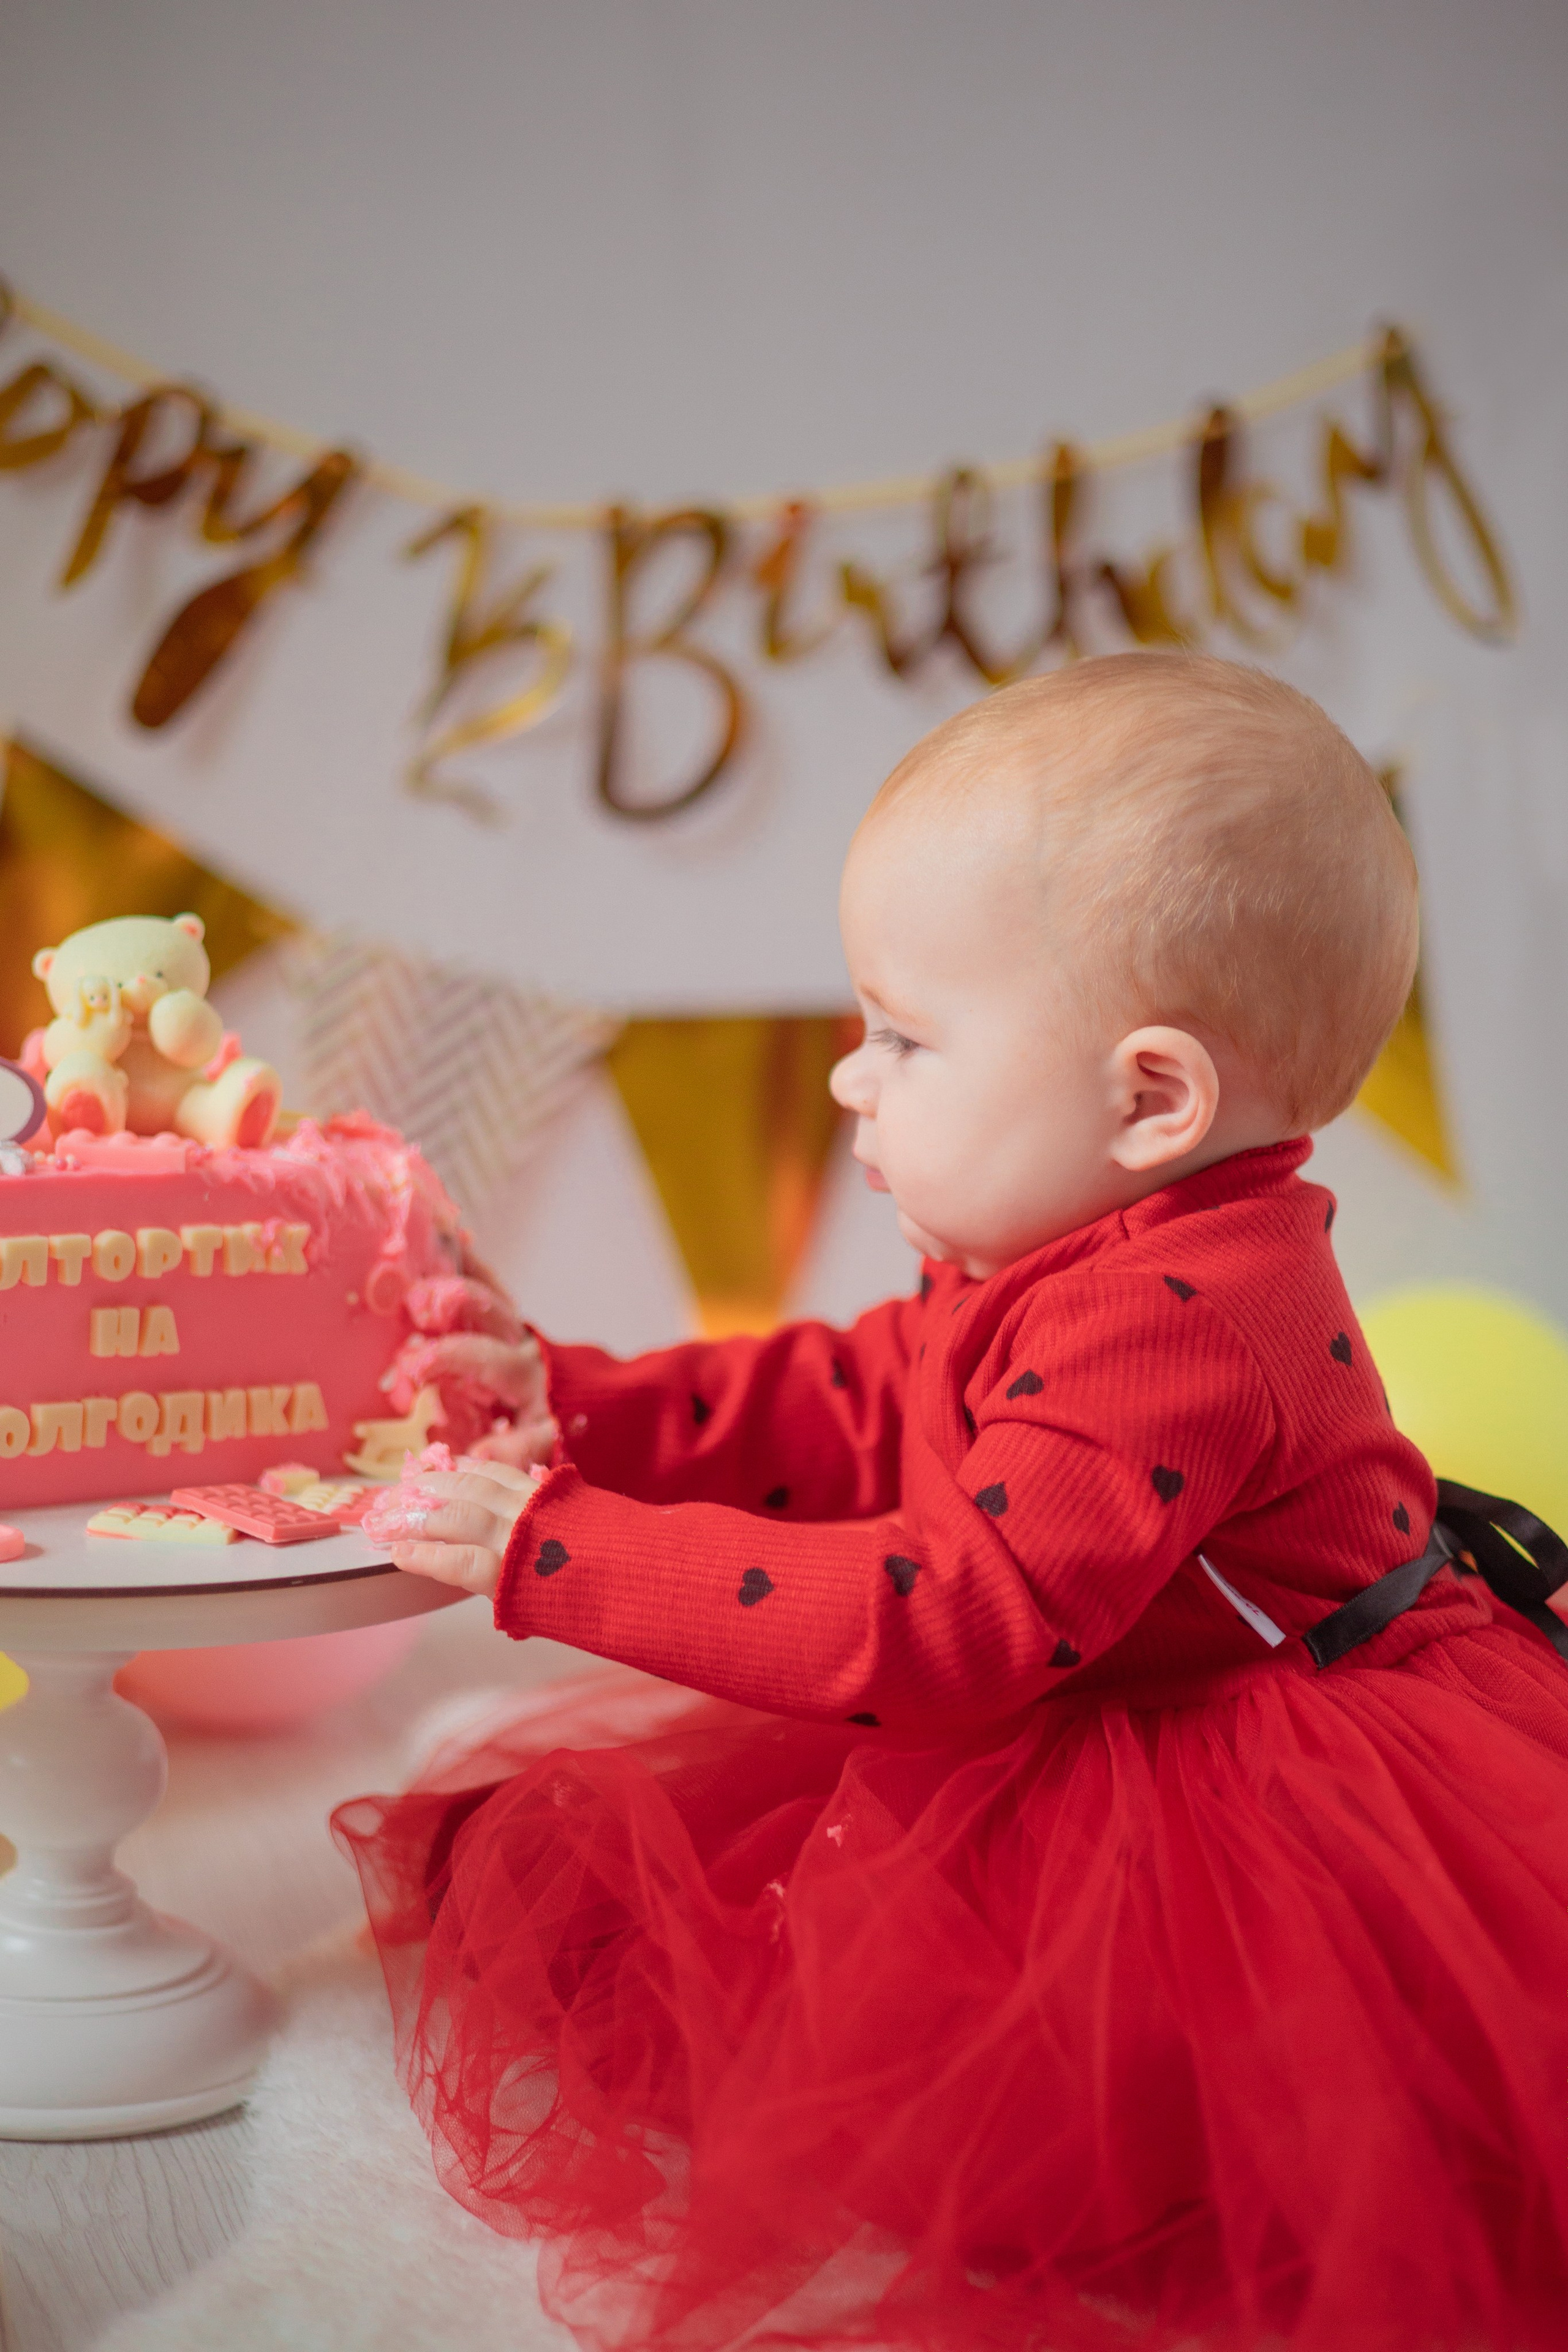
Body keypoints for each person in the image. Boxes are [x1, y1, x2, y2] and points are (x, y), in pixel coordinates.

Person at [335, 653, 1568, 2352]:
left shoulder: (1184, 1322)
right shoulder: (1077, 1243)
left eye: (905, 1038)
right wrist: (577, 1404)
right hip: (1100, 1674)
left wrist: (565, 1553)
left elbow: (948, 1622)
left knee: (1139, 2115)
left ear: (1153, 1099)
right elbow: (867, 1397)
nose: (852, 1079)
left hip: (1243, 1747)